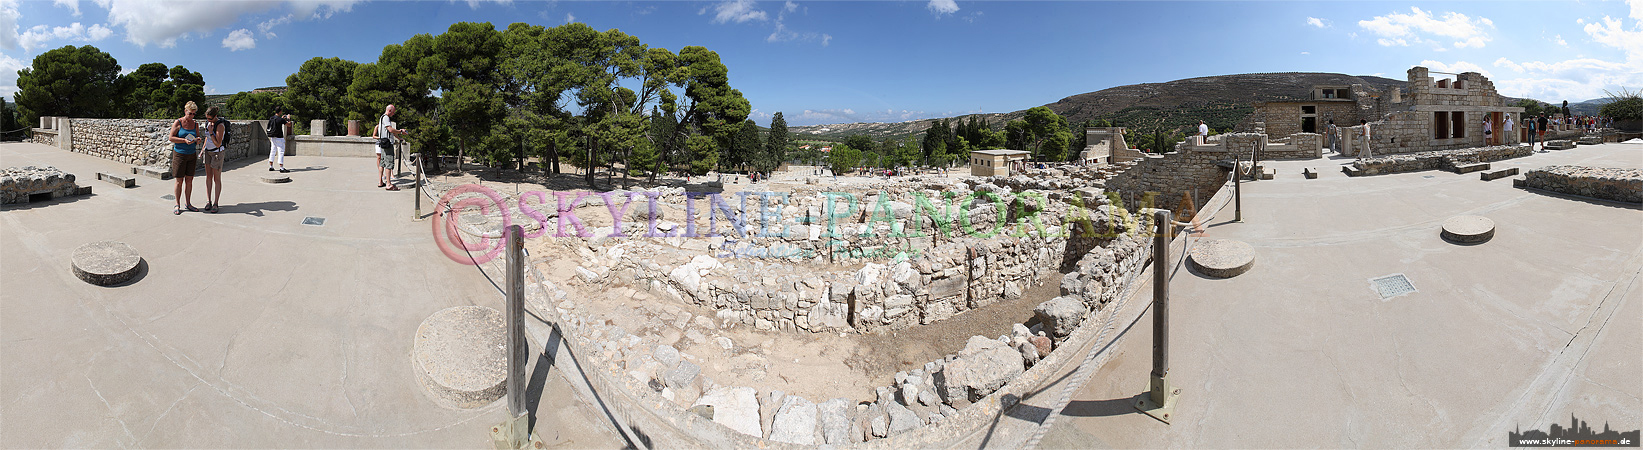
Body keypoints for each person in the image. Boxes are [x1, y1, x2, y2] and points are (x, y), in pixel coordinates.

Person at [168, 101, 202, 215]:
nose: (192, 116)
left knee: (189, 180)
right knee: (179, 180)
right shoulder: (178, 122)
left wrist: (197, 140)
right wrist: (184, 140)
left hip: (191, 154)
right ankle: (177, 204)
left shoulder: (195, 124)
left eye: (194, 114)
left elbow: (197, 138)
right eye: (190, 113)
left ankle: (188, 203)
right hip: (180, 154)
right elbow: (171, 138)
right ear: (185, 111)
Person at [200, 107, 228, 213]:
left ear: (215, 116)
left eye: (210, 119)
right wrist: (203, 149)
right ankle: (208, 201)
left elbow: (217, 143)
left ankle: (216, 203)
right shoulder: (208, 123)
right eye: (207, 118)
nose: (208, 120)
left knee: (217, 179)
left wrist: (212, 132)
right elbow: (207, 138)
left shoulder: (220, 126)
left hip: (217, 153)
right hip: (208, 152)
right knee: (208, 177)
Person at [376, 104, 409, 191]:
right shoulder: (386, 117)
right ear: (389, 110)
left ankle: (380, 182)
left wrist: (398, 136)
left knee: (382, 163)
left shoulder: (381, 118)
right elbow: (390, 130)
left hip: (382, 143)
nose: (393, 114)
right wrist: (401, 131)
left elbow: (390, 131)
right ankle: (388, 184)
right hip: (387, 144)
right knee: (389, 163)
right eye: (393, 112)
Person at [268, 108, 291, 173]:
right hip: (279, 138)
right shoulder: (280, 120)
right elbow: (289, 124)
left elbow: (277, 121)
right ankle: (281, 168)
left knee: (272, 151)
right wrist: (288, 118)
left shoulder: (272, 118)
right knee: (281, 151)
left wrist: (282, 118)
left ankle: (271, 166)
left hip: (273, 137)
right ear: (280, 111)